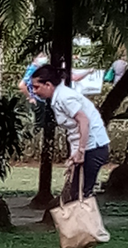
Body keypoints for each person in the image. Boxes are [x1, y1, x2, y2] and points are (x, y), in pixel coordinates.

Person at [29, 63, 108, 201]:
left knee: (80, 196)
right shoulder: (60, 97)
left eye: (36, 87)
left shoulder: (64, 97)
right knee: (77, 195)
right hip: (88, 148)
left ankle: (85, 222)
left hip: (93, 148)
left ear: (48, 85)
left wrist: (81, 151)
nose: (34, 91)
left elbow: (84, 121)